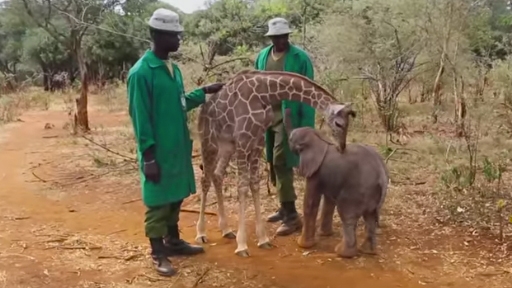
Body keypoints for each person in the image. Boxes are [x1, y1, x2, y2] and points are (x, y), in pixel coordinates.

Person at [127, 8, 224, 277]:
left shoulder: (174, 69)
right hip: (157, 150)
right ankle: (158, 253)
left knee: (176, 195)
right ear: (157, 35)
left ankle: (173, 240)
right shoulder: (141, 73)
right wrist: (148, 157)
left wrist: (203, 93)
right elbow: (140, 118)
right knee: (158, 201)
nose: (179, 39)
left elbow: (180, 103)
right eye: (174, 35)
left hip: (177, 146)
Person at [254, 17, 316, 236]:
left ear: (288, 36)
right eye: (275, 37)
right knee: (272, 160)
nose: (279, 40)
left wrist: (307, 127)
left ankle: (292, 216)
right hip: (268, 115)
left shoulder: (300, 58)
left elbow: (309, 92)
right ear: (270, 37)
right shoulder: (262, 56)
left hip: (290, 116)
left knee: (282, 159)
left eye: (283, 36)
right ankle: (284, 206)